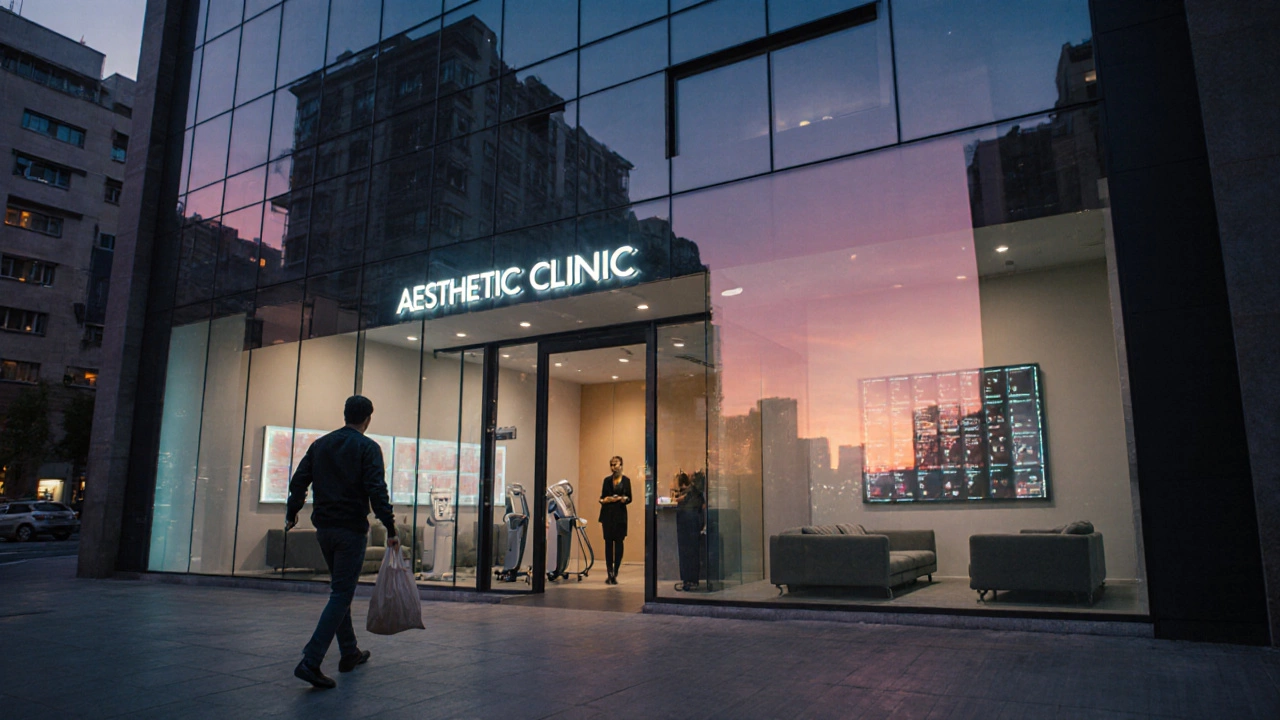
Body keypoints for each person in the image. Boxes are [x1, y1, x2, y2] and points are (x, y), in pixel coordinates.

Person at [286, 395, 397, 689]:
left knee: (341, 591)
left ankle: (349, 652)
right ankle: (311, 661)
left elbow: (299, 480)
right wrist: (391, 526)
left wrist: (292, 512)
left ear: (345, 414)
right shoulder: (368, 448)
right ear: (368, 418)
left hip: (324, 529)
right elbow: (377, 489)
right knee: (341, 594)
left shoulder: (321, 444)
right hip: (350, 530)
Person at [597, 455, 632, 585]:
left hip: (620, 516)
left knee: (619, 543)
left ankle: (616, 570)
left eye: (615, 464)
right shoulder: (607, 480)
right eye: (611, 464)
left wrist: (623, 499)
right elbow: (602, 497)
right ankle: (609, 572)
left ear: (621, 465)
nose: (613, 467)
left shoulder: (626, 480)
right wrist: (605, 500)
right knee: (608, 543)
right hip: (607, 515)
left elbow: (629, 497)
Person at [672, 471, 705, 592]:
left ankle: (688, 580)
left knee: (687, 553)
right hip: (691, 526)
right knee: (692, 553)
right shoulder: (694, 493)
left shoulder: (691, 493)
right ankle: (691, 580)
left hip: (687, 526)